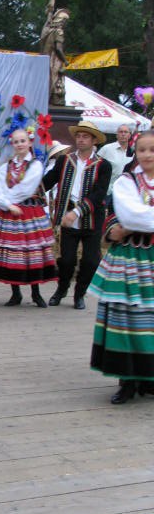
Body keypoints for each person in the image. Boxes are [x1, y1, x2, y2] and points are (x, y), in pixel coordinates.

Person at [89, 130, 154, 403]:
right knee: (126, 317)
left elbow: (139, 219)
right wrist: (127, 225)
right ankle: (127, 379)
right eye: (142, 150)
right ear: (134, 153)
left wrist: (135, 223)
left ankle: (148, 378)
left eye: (152, 149)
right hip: (130, 259)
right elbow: (128, 215)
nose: (147, 155)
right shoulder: (127, 182)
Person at [0, 128, 57, 307]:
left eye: (23, 141)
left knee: (32, 252)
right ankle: (16, 293)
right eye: (16, 142)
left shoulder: (35, 165)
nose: (20, 144)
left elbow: (26, 189)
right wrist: (7, 205)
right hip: (10, 213)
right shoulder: (5, 167)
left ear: (30, 142)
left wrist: (7, 202)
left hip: (28, 212)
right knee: (12, 253)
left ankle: (36, 293)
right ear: (12, 144)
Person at [43, 120, 112, 310]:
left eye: (85, 137)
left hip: (91, 218)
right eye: (79, 136)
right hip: (67, 216)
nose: (81, 140)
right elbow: (47, 182)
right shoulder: (64, 160)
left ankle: (79, 294)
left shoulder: (104, 165)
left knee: (91, 260)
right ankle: (61, 289)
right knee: (66, 260)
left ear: (94, 140)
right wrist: (27, 190)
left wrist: (76, 212)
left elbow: (98, 194)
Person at [98, 124, 133, 207]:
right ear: (117, 135)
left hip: (125, 193)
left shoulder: (133, 152)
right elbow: (96, 166)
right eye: (121, 132)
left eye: (125, 132)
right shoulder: (107, 149)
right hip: (107, 191)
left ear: (129, 135)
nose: (123, 134)